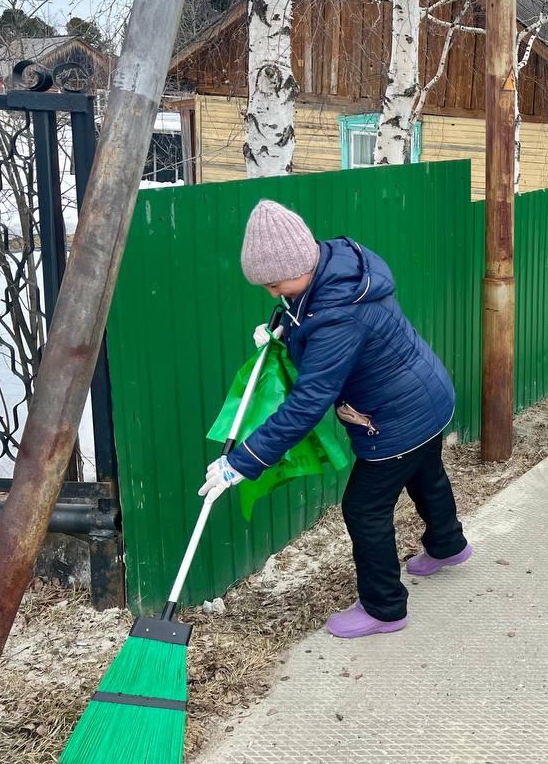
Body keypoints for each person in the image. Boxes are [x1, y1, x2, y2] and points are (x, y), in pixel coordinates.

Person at [198, 200, 473, 638]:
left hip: (397, 414)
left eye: (275, 283)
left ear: (299, 261)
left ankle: (384, 608)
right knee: (425, 471)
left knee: (363, 508)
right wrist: (290, 329)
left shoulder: (338, 316)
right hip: (428, 393)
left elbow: (309, 402)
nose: (271, 292)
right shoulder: (338, 265)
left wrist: (243, 461)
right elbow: (314, 319)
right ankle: (448, 545)